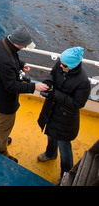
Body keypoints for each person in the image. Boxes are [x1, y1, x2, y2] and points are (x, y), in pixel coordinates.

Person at [0, 26, 49, 162]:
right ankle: (0, 151)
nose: (25, 47)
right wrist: (34, 86)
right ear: (19, 43)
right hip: (4, 101)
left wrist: (21, 65)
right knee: (4, 126)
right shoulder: (6, 61)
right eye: (25, 46)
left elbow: (12, 59)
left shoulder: (0, 42)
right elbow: (11, 86)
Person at [37, 46, 91, 179]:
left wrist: (54, 94)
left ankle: (66, 174)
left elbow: (77, 104)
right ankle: (50, 154)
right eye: (60, 63)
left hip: (66, 118)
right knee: (50, 134)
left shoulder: (83, 82)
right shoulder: (62, 63)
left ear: (72, 66)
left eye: (64, 66)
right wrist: (48, 83)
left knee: (64, 147)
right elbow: (52, 74)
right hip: (52, 110)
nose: (60, 66)